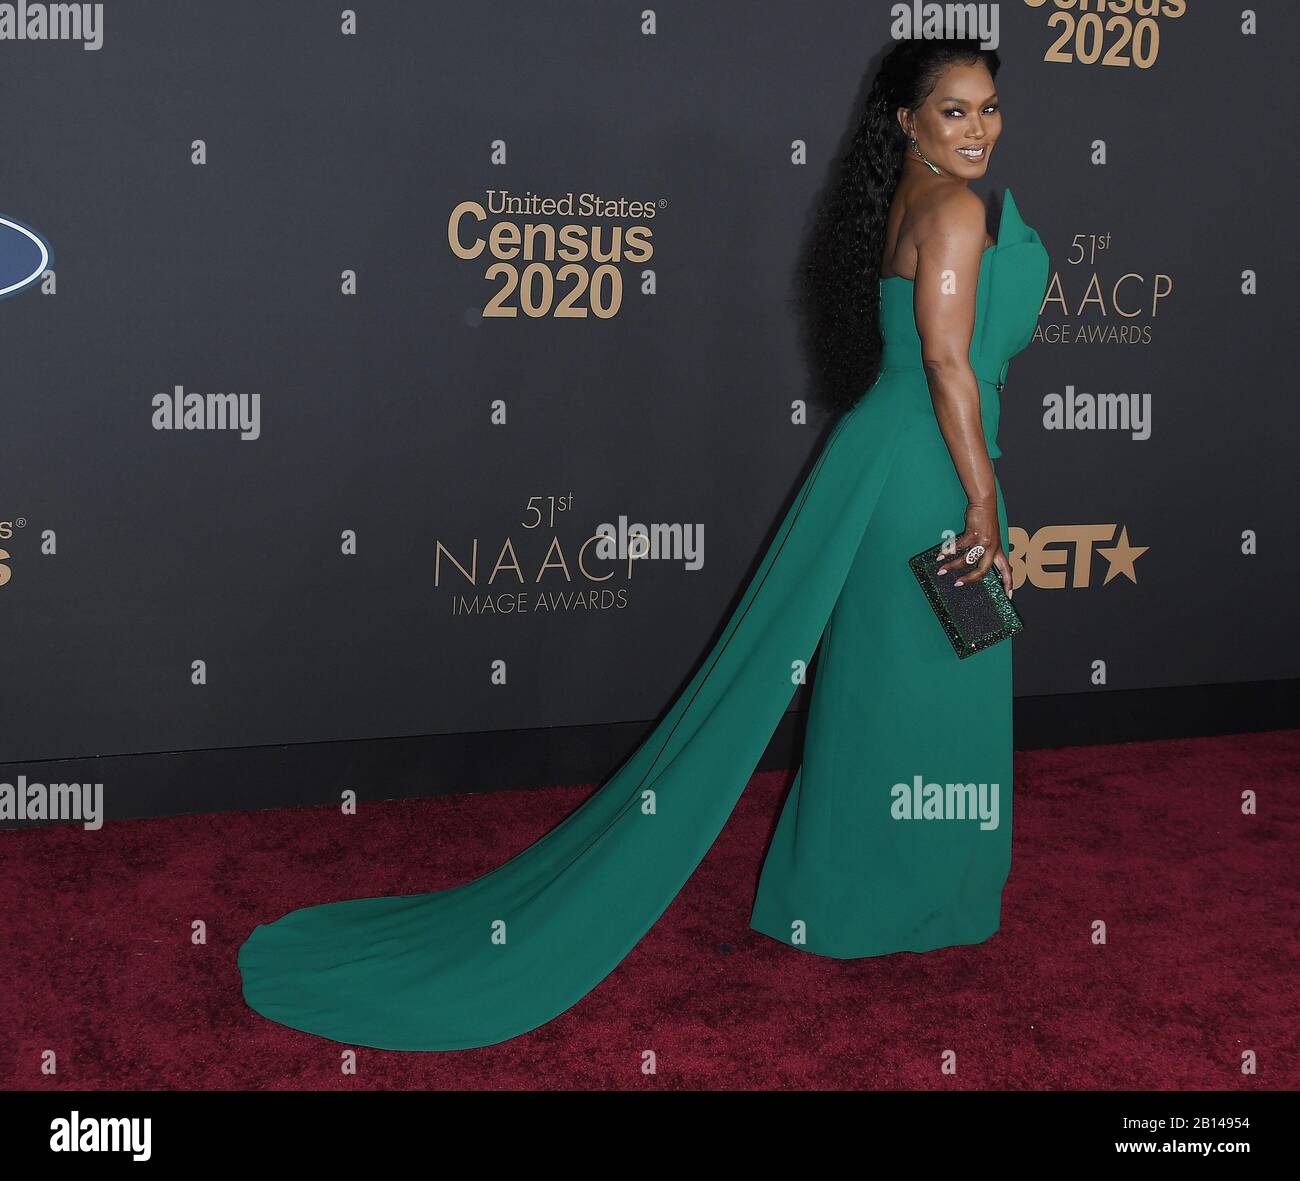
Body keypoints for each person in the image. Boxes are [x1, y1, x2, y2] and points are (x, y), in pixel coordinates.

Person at [238, 37, 1050, 1051]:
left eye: (987, 108)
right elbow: (943, 360)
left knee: (896, 676)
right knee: (938, 674)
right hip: (932, 463)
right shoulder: (956, 211)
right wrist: (982, 500)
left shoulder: (912, 203)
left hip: (896, 456)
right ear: (906, 122)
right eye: (954, 112)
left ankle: (859, 895)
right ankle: (910, 896)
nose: (978, 129)